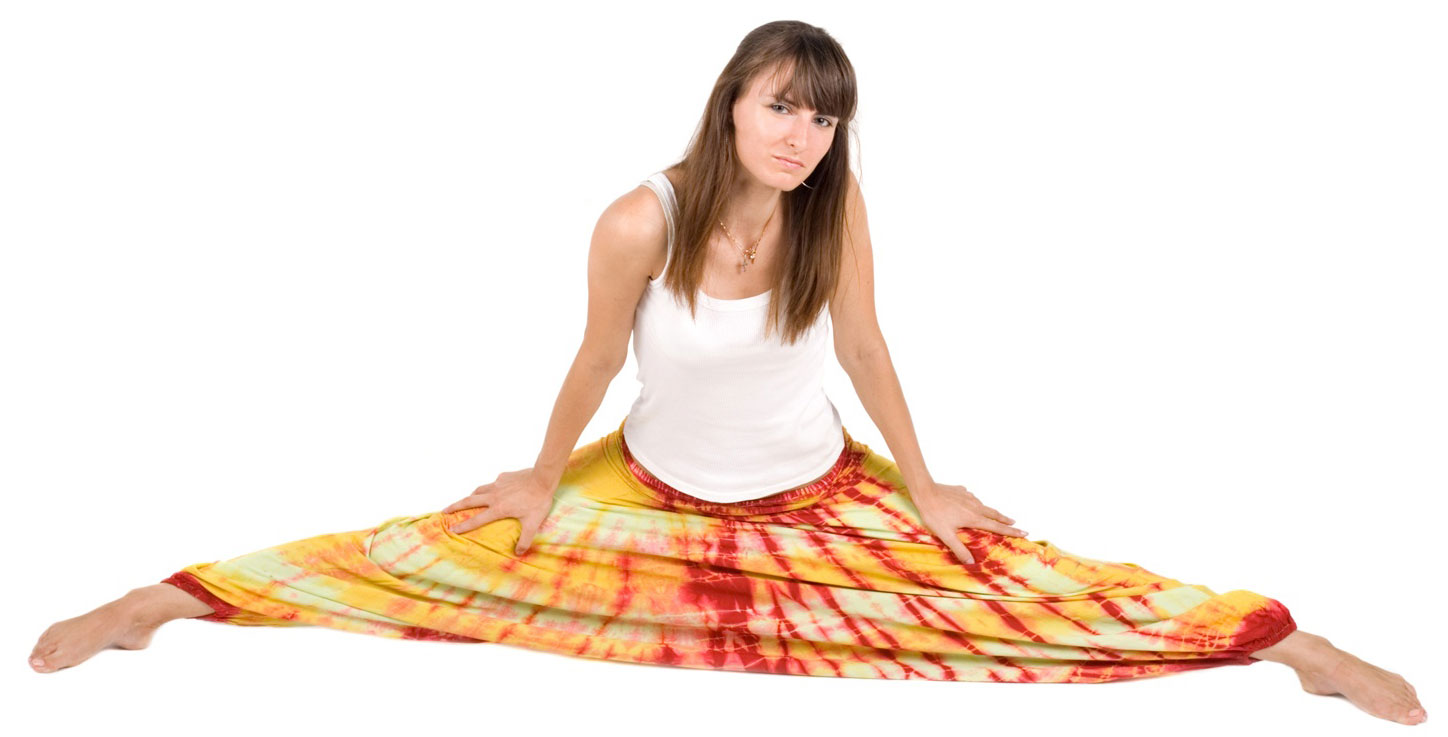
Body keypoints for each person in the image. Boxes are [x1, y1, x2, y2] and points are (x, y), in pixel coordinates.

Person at [28, 19, 1424, 726]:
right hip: (650, 493)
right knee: (427, 560)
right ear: (733, 104)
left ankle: (1283, 647)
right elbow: (594, 356)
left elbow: (866, 347)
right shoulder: (639, 219)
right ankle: (166, 601)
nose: (802, 136)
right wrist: (540, 473)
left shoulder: (835, 207)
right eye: (781, 107)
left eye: (825, 119)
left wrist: (927, 486)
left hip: (816, 495)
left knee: (1020, 584)